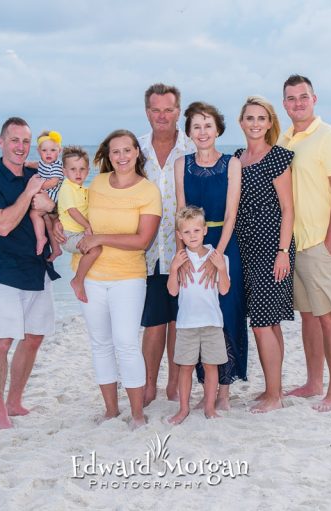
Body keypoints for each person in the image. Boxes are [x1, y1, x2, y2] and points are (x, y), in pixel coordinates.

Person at [0, 117, 60, 429]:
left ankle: (15, 401)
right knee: (2, 341)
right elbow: (3, 225)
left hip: (39, 268)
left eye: (25, 141)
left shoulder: (36, 172)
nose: (20, 147)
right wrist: (29, 191)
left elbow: (61, 171)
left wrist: (54, 220)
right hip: (5, 272)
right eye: (14, 140)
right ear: (1, 142)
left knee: (35, 337)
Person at [73, 129, 161, 429]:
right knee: (100, 343)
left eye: (127, 150)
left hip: (128, 277)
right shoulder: (96, 184)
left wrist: (101, 237)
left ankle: (137, 414)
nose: (122, 156)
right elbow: (72, 208)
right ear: (108, 156)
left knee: (125, 343)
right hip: (90, 276)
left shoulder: (148, 190)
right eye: (115, 152)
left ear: (137, 152)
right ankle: (111, 410)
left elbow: (143, 240)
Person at [277, 75, 331, 412]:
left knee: (328, 317)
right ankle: (313, 382)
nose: (297, 103)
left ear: (314, 99)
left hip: (321, 245)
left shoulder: (329, 138)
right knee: (308, 316)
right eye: (291, 98)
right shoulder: (285, 139)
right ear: (284, 104)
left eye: (303, 97)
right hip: (295, 244)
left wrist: (329, 242)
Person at [173, 101, 247, 411]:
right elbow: (180, 213)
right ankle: (204, 390)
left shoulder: (232, 163)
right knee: (195, 314)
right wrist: (182, 258)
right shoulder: (181, 164)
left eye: (208, 125)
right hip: (190, 245)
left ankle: (225, 391)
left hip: (222, 246)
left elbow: (231, 215)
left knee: (226, 314)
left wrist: (216, 257)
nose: (202, 132)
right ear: (189, 132)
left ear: (217, 129)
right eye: (196, 126)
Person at [234, 96, 296, 414]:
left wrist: (283, 252)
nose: (255, 124)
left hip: (274, 247)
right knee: (269, 323)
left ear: (270, 123)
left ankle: (274, 395)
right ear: (241, 122)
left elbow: (288, 209)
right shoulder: (236, 159)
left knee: (262, 322)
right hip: (244, 247)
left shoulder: (278, 158)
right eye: (250, 118)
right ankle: (275, 388)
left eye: (261, 118)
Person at [138, 83, 196, 406]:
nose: (162, 116)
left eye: (168, 110)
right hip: (145, 252)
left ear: (178, 112)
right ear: (147, 112)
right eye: (156, 110)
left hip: (182, 249)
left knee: (179, 320)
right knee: (153, 321)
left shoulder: (191, 147)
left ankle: (174, 385)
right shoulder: (135, 149)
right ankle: (149, 385)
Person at [167, 206, 230, 424]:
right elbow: (173, 291)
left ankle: (209, 407)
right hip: (186, 324)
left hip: (212, 322)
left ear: (204, 230)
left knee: (211, 366)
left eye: (196, 230)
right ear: (179, 235)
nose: (192, 236)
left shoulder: (217, 257)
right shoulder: (179, 259)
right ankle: (183, 409)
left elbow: (224, 290)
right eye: (186, 232)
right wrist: (174, 269)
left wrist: (221, 269)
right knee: (185, 367)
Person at [56, 145, 101, 303]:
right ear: (64, 171)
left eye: (82, 169)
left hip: (78, 233)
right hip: (69, 236)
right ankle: (77, 280)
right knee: (95, 249)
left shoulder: (82, 189)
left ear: (88, 170)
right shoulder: (67, 188)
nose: (78, 173)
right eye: (73, 169)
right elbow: (73, 211)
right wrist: (88, 226)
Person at [29, 130, 65, 258]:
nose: (48, 153)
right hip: (47, 197)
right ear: (39, 151)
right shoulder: (43, 163)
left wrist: (36, 186)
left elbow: (53, 182)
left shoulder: (57, 165)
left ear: (59, 151)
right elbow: (37, 164)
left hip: (53, 199)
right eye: (44, 151)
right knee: (48, 225)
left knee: (34, 214)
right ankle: (56, 250)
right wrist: (26, 164)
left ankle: (41, 238)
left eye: (53, 150)